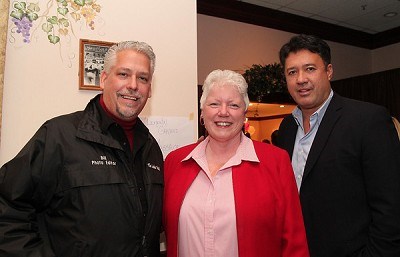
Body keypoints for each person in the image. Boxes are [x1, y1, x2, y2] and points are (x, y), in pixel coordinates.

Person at [0, 41, 164, 257]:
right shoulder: (59, 136)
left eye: (142, 78)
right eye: (123, 74)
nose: (133, 85)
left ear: (149, 89)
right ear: (104, 79)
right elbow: (7, 207)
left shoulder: (151, 148)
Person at [163, 69, 309, 257]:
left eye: (233, 105)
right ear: (202, 112)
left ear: (244, 113)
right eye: (214, 104)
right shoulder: (175, 162)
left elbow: (294, 241)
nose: (223, 112)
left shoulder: (275, 161)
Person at [277, 34, 400, 257]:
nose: (301, 79)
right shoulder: (286, 127)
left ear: (329, 71)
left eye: (310, 69)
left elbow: (391, 207)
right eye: (292, 72)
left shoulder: (368, 119)